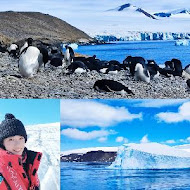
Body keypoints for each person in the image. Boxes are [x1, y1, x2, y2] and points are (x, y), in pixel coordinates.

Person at [0, 113, 42, 190]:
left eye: (20, 138)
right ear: (2, 143)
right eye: (11, 139)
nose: (17, 145)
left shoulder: (29, 161)